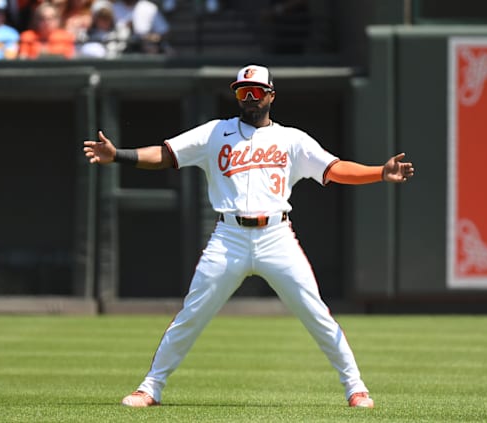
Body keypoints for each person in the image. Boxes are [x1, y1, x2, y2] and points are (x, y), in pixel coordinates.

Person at [82, 64, 415, 408]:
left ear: (271, 94)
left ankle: (356, 387)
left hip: (276, 235)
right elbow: (166, 155)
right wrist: (118, 155)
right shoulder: (215, 133)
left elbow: (334, 168)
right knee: (192, 315)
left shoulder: (291, 139)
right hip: (229, 237)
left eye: (256, 91)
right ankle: (150, 388)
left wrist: (378, 172)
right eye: (243, 92)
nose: (250, 98)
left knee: (315, 313)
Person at [91, 0, 168, 54]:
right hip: (117, 48)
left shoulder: (149, 8)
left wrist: (146, 37)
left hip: (143, 49)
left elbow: (164, 32)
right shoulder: (113, 7)